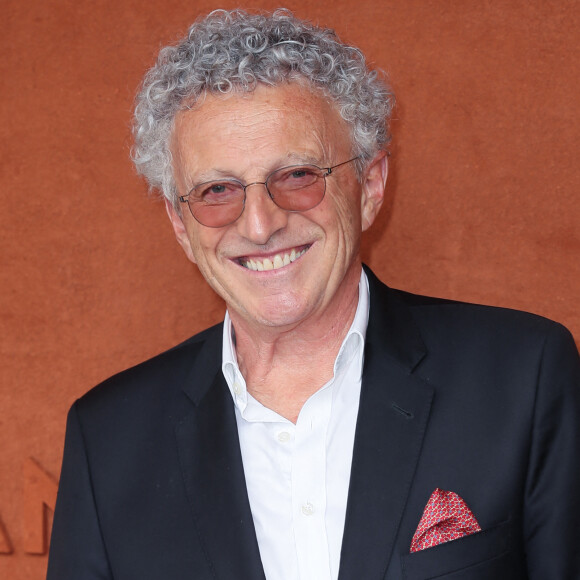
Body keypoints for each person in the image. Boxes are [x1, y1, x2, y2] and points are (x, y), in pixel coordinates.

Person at [47, 9, 580, 580]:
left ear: (370, 186)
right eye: (218, 190)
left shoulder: (523, 377)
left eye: (298, 175)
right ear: (181, 224)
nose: (258, 224)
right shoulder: (107, 442)